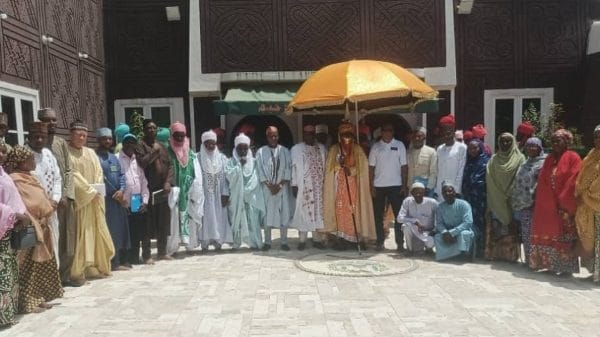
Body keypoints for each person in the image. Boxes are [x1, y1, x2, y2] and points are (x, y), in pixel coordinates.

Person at [6, 145, 63, 313]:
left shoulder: (30, 176)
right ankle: (26, 303)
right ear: (21, 162)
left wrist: (47, 208)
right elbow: (26, 203)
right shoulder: (15, 179)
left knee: (41, 268)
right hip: (30, 228)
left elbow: (41, 197)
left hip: (43, 225)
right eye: (29, 159)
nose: (33, 161)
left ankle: (39, 298)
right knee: (28, 269)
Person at [68, 121, 115, 283]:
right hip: (80, 203)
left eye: (84, 135)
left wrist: (96, 191)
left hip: (94, 201)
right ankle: (78, 270)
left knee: (96, 234)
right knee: (81, 235)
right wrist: (89, 191)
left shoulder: (90, 153)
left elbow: (98, 172)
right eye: (78, 135)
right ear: (71, 135)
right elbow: (72, 175)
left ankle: (95, 267)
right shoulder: (67, 153)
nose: (81, 138)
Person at [529, 129, 582, 275]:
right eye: (552, 141)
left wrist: (563, 201)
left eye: (558, 140)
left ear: (566, 142)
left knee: (565, 236)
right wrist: (547, 202)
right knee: (548, 234)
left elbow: (573, 180)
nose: (554, 143)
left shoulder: (573, 157)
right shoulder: (549, 159)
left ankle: (566, 269)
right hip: (548, 206)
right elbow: (543, 181)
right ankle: (550, 265)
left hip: (565, 206)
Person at [37, 108, 77, 286]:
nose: (51, 123)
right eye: (47, 120)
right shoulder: (35, 143)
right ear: (40, 121)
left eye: (54, 120)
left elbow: (68, 170)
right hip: (44, 202)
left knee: (67, 237)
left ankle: (65, 275)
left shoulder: (60, 143)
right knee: (48, 240)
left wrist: (66, 195)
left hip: (64, 200)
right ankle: (50, 280)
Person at [324, 122, 376, 249]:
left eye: (349, 135)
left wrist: (350, 169)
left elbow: (362, 168)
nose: (346, 138)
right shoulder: (334, 149)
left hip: (354, 187)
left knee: (354, 210)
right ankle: (341, 238)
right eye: (343, 135)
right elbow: (329, 169)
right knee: (340, 210)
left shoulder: (358, 150)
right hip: (338, 186)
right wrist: (339, 163)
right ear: (339, 136)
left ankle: (354, 239)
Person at [135, 119, 174, 262]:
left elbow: (170, 166)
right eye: (149, 128)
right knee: (146, 222)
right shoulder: (139, 146)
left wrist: (168, 182)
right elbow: (142, 163)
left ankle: (162, 252)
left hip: (161, 190)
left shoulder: (162, 146)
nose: (152, 130)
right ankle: (146, 255)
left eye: (154, 128)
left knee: (163, 221)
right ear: (144, 130)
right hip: (145, 191)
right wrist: (153, 152)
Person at [484, 133, 525, 262]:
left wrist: (508, 193)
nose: (505, 144)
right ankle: (496, 254)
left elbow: (520, 178)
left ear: (512, 143)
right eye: (502, 141)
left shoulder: (520, 159)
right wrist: (500, 196)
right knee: (497, 227)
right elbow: (490, 179)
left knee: (512, 227)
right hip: (496, 199)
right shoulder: (493, 160)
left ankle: (511, 256)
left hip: (513, 200)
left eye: (508, 141)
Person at [0, 143, 28, 327]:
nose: (2, 154)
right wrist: (14, 215)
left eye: (3, 151)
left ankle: (7, 315)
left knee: (9, 273)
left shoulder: (3, 174)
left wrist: (21, 216)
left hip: (8, 232)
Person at [27, 122, 62, 265]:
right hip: (33, 213)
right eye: (36, 137)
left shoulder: (48, 154)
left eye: (42, 137)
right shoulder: (24, 155)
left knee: (54, 241)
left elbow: (57, 178)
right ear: (29, 138)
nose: (39, 140)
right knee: (35, 247)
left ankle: (54, 282)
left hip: (52, 209)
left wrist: (55, 199)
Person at [369, 123, 408, 251]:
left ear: (393, 131)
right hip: (379, 186)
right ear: (381, 132)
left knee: (399, 216)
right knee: (378, 215)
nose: (387, 132)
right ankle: (380, 241)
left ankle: (400, 243)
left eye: (390, 130)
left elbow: (404, 166)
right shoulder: (375, 147)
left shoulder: (400, 145)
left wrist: (404, 184)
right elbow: (371, 168)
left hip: (396, 185)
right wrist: (371, 186)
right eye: (385, 130)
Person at [96, 127, 130, 271]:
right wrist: (113, 193)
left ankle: (120, 259)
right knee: (109, 231)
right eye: (104, 139)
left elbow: (122, 176)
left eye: (109, 139)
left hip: (118, 200)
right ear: (98, 140)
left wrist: (122, 191)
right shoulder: (95, 158)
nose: (107, 141)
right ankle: (111, 262)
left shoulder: (113, 158)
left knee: (120, 230)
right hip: (105, 200)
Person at [166, 122, 201, 255]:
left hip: (188, 192)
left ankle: (190, 246)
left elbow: (196, 173)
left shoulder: (190, 153)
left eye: (182, 136)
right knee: (173, 221)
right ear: (172, 135)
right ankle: (172, 248)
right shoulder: (167, 152)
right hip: (173, 194)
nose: (180, 139)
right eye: (177, 136)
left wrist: (194, 191)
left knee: (190, 218)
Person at [256, 126, 293, 251]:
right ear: (267, 137)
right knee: (267, 215)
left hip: (282, 189)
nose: (274, 138)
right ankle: (267, 242)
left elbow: (288, 169)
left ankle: (284, 242)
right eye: (271, 136)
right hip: (268, 190)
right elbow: (259, 170)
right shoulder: (261, 152)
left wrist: (281, 185)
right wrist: (269, 186)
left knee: (284, 214)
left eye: (276, 135)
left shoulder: (285, 151)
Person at [225, 133, 265, 249]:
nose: (242, 151)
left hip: (252, 196)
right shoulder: (231, 162)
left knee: (253, 221)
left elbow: (257, 178)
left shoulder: (254, 162)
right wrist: (238, 166)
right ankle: (236, 244)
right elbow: (229, 176)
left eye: (245, 148)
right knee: (236, 221)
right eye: (240, 148)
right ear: (235, 148)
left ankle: (256, 243)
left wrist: (248, 190)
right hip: (237, 197)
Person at [290, 125, 327, 250]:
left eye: (311, 133)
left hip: (319, 188)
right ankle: (302, 240)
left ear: (314, 135)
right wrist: (294, 184)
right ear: (303, 134)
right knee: (304, 212)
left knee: (317, 213)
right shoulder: (296, 149)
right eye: (306, 133)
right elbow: (293, 169)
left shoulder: (321, 149)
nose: (309, 136)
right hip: (304, 187)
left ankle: (316, 239)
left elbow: (325, 168)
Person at [118, 134, 151, 265]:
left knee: (137, 230)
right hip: (124, 201)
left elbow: (143, 182)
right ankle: (126, 259)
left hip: (137, 199)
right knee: (127, 231)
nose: (131, 145)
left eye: (133, 143)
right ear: (123, 144)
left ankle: (136, 258)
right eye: (128, 142)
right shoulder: (117, 159)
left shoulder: (137, 160)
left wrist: (145, 200)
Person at [512, 137, 545, 264]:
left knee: (538, 234)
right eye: (529, 146)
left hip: (538, 205)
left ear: (539, 148)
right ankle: (529, 260)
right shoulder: (524, 164)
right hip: (524, 205)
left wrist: (535, 199)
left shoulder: (544, 163)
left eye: (534, 146)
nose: (531, 148)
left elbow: (543, 184)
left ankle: (538, 261)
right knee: (526, 233)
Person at [198, 130, 233, 251]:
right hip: (205, 195)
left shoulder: (222, 158)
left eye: (213, 143)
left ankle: (219, 241)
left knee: (220, 217)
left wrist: (225, 193)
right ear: (203, 144)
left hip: (220, 195)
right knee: (206, 218)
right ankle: (205, 242)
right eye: (208, 143)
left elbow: (227, 177)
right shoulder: (198, 158)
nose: (211, 146)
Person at [575, 125, 600, 282]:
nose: (598, 140)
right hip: (587, 205)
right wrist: (580, 192)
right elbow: (581, 176)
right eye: (596, 137)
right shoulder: (592, 155)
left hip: (596, 204)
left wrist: (587, 194)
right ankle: (594, 271)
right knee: (591, 240)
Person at [461, 139, 490, 258]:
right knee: (468, 221)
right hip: (468, 197)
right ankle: (470, 248)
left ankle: (481, 250)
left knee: (480, 222)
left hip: (480, 198)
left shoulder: (486, 162)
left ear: (481, 148)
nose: (473, 150)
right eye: (470, 148)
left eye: (475, 148)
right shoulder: (467, 162)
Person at [434, 182, 475, 261]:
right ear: (442, 194)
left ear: (455, 192)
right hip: (447, 232)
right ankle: (450, 255)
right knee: (437, 237)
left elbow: (468, 222)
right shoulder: (440, 207)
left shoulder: (464, 204)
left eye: (450, 191)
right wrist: (445, 232)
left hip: (462, 230)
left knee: (464, 234)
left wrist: (453, 232)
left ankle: (463, 254)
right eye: (445, 192)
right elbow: (439, 223)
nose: (447, 193)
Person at [434, 115, 467, 201]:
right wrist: (436, 189)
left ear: (453, 130)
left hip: (453, 191)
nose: (447, 132)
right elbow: (438, 170)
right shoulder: (439, 148)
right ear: (441, 132)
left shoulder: (462, 147)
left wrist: (456, 190)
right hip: (440, 189)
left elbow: (461, 170)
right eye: (444, 130)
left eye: (450, 129)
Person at [398, 182, 437, 254]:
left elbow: (438, 218)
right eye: (415, 193)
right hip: (413, 231)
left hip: (427, 232)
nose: (418, 195)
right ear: (412, 193)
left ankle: (428, 248)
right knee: (405, 226)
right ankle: (409, 249)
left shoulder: (432, 202)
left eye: (420, 193)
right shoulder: (407, 201)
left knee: (432, 242)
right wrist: (415, 221)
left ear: (424, 193)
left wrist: (432, 230)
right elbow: (399, 218)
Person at [407, 127, 437, 196]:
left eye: (419, 136)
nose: (417, 138)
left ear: (424, 138)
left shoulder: (431, 152)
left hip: (425, 189)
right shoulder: (408, 152)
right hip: (411, 189)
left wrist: (428, 188)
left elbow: (433, 172)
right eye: (414, 136)